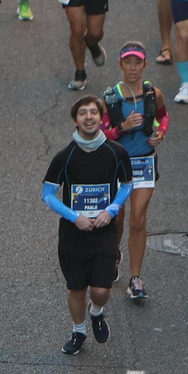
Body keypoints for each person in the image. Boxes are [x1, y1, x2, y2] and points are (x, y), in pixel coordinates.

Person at [43, 96, 134, 353]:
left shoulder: (117, 153)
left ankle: (97, 312)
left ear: (100, 118)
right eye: (83, 113)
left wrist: (111, 209)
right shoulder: (65, 156)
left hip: (105, 230)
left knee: (101, 290)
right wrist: (75, 217)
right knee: (76, 287)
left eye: (94, 112)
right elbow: (47, 195)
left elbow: (128, 185)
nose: (89, 117)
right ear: (76, 120)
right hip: (74, 233)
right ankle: (78, 332)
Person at [100, 44, 169, 301]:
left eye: (136, 63)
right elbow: (103, 134)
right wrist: (122, 127)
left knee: (138, 219)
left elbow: (164, 117)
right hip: (117, 164)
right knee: (116, 218)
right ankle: (114, 253)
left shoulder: (154, 94)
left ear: (144, 65)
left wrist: (161, 132)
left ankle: (135, 279)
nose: (132, 68)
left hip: (144, 163)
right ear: (120, 65)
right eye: (127, 63)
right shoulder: (111, 98)